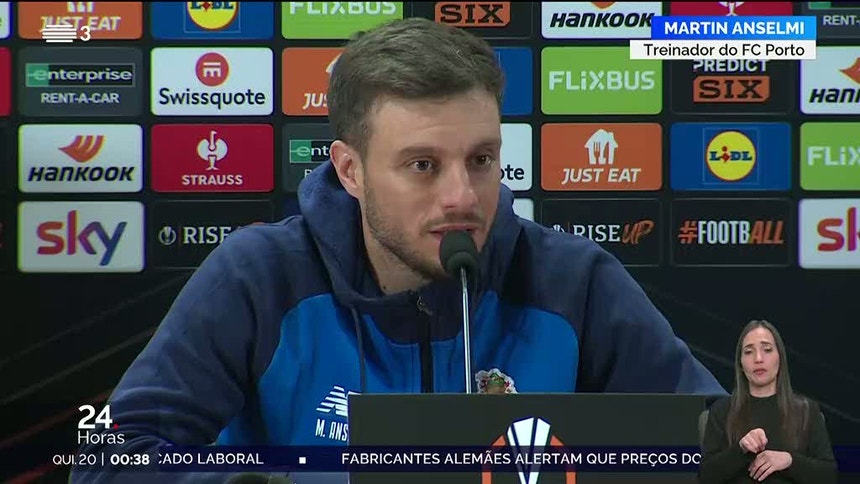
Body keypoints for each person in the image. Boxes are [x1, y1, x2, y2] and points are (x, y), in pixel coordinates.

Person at [70, 17, 724, 483]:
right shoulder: (260, 277)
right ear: (351, 171)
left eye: (481, 159)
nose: (462, 197)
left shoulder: (572, 282)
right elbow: (111, 458)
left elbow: (716, 445)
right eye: (422, 165)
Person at [699, 320, 837, 484]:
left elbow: (828, 476)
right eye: (749, 352)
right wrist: (740, 450)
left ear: (780, 358)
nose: (758, 358)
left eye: (767, 350)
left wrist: (790, 461)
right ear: (740, 364)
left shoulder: (806, 411)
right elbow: (706, 477)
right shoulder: (722, 410)